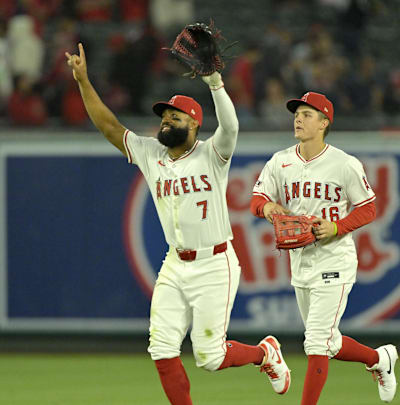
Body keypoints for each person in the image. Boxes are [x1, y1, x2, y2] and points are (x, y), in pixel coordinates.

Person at [66, 43, 291, 405]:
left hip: (214, 263)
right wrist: (83, 82)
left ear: (195, 123)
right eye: (164, 116)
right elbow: (109, 126)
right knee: (161, 348)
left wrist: (215, 82)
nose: (166, 121)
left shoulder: (212, 154)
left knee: (210, 357)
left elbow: (230, 125)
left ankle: (265, 353)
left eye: (175, 117)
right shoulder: (151, 153)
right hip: (175, 264)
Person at [250, 91, 398, 405]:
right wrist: (269, 209)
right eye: (297, 113)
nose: (298, 119)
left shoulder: (344, 163)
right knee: (328, 341)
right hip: (300, 260)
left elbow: (368, 208)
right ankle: (379, 359)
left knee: (315, 342)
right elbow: (257, 200)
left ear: (324, 123)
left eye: (307, 114)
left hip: (335, 258)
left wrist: (337, 227)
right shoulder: (281, 161)